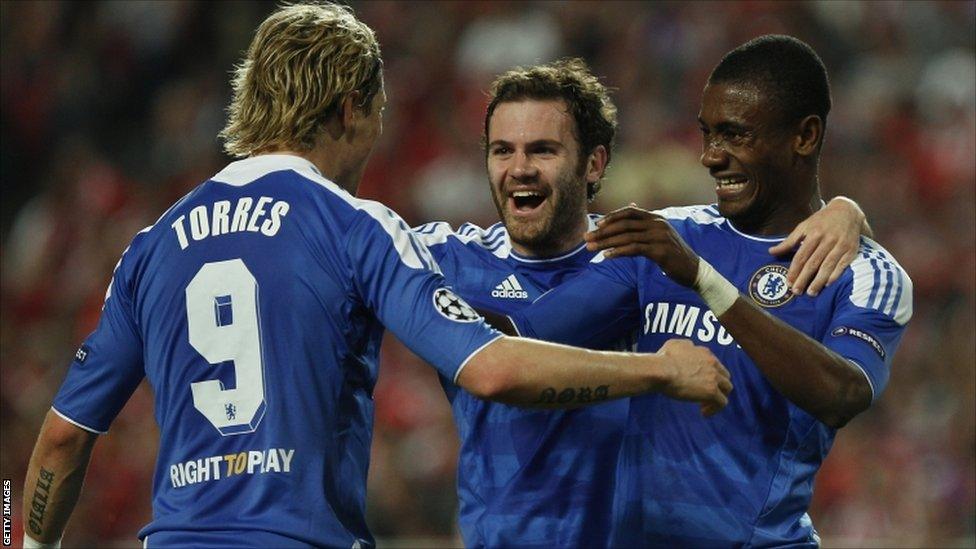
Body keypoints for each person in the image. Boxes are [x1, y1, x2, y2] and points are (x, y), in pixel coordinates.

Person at [19, 5, 735, 549]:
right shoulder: (352, 225)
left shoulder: (151, 244)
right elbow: (490, 371)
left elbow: (61, 439)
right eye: (378, 113)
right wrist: (660, 371)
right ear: (351, 108)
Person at [413, 58, 874, 547]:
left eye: (543, 150)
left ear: (594, 163)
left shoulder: (645, 251)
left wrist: (843, 212)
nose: (520, 169)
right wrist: (660, 370)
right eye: (503, 150)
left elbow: (750, 238)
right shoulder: (446, 257)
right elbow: (346, 244)